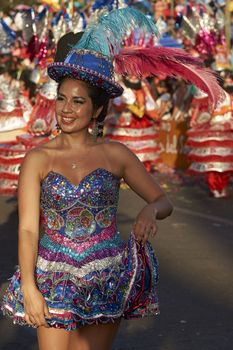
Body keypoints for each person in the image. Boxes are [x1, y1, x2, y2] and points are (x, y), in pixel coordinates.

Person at [1, 6, 223, 350]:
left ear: (99, 109)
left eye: (78, 101)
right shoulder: (38, 159)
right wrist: (29, 286)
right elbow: (29, 228)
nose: (66, 109)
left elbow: (161, 200)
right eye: (61, 98)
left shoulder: (116, 155)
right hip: (53, 277)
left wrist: (150, 211)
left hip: (107, 277)